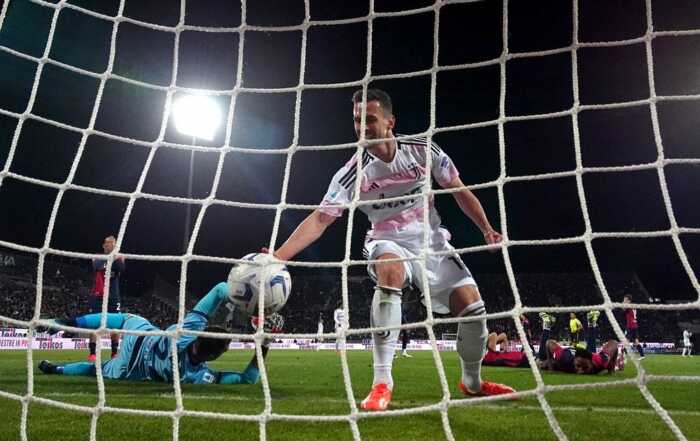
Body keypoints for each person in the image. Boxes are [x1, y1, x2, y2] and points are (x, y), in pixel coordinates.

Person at [267, 88, 514, 411]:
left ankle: (472, 382)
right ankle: (382, 382)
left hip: (431, 243)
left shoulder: (422, 150)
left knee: (473, 309)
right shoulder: (354, 171)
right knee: (391, 269)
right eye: (357, 120)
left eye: (369, 119)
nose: (362, 127)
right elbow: (321, 218)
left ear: (390, 122)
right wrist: (278, 257)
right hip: (386, 241)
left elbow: (458, 189)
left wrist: (486, 228)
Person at [38, 282, 282, 385]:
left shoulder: (188, 332)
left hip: (143, 337)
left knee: (124, 318)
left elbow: (220, 289)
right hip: (129, 370)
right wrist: (265, 343)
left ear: (199, 337)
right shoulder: (199, 376)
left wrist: (252, 303)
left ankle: (66, 322)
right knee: (94, 370)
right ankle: (57, 369)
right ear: (212, 357)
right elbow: (248, 380)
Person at [87, 235, 125, 362]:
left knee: (115, 325)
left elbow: (120, 267)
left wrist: (112, 258)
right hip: (97, 296)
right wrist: (110, 262)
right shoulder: (96, 256)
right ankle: (92, 353)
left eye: (113, 243)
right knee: (94, 324)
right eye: (108, 243)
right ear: (104, 245)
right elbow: (97, 266)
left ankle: (114, 353)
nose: (110, 245)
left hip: (113, 297)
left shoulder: (120, 256)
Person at [538, 339, 618, 375]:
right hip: (565, 357)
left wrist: (611, 369)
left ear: (591, 362)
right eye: (578, 366)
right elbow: (549, 342)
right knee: (542, 365)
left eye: (585, 368)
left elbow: (614, 343)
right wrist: (551, 368)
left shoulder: (600, 361)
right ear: (574, 361)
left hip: (591, 357)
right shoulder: (563, 357)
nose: (580, 372)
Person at [623, 294, 645, 359]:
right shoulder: (633, 306)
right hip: (635, 325)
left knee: (626, 341)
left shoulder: (628, 306)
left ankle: (623, 355)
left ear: (629, 300)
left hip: (630, 326)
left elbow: (623, 309)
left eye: (625, 300)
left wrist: (623, 303)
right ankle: (642, 355)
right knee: (636, 341)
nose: (624, 301)